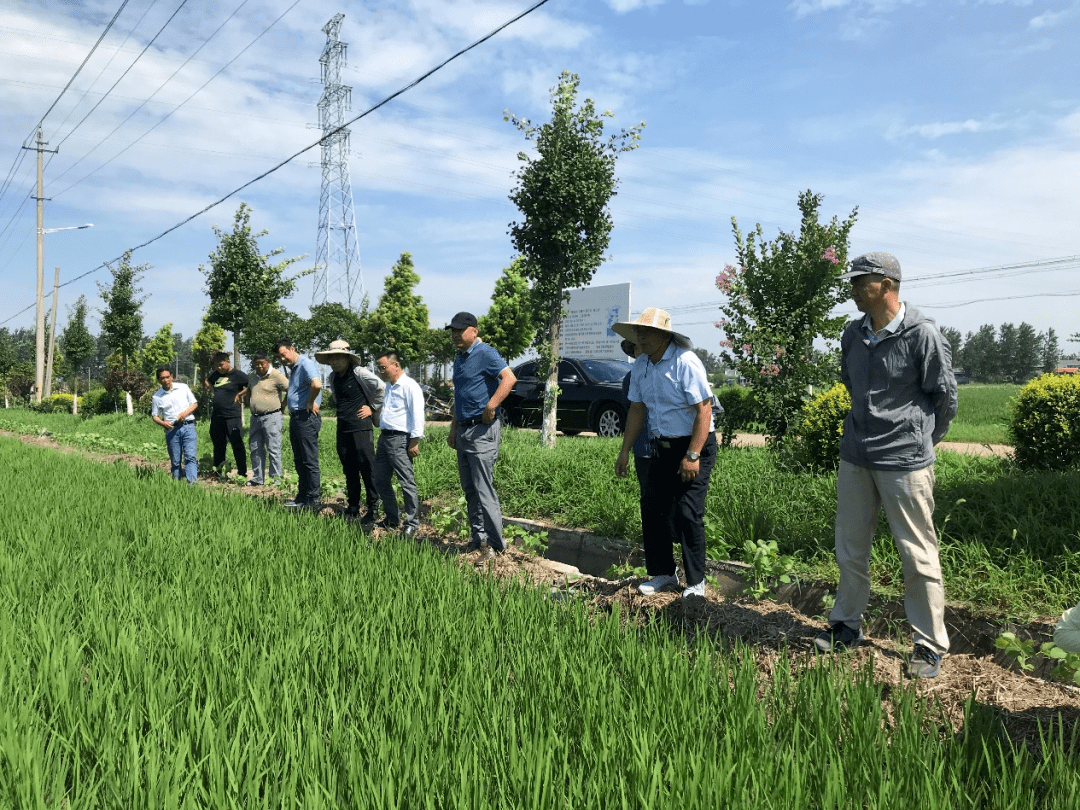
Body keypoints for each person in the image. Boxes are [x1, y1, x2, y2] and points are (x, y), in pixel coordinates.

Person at [814, 252, 958, 680]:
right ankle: (846, 625)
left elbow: (944, 397)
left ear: (888, 285)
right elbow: (850, 383)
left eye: (861, 282)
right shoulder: (852, 334)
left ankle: (929, 644)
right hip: (856, 456)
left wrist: (922, 441)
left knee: (917, 553)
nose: (853, 289)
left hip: (905, 462)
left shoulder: (922, 334)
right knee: (850, 547)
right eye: (853, 282)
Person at [613, 308, 717, 598]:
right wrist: (624, 451)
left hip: (694, 445)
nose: (641, 338)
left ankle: (696, 583)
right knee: (653, 508)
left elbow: (703, 409)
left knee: (687, 512)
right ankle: (663, 574)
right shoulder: (641, 365)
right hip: (662, 446)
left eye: (646, 332)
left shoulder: (685, 361)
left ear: (664, 335)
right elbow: (637, 408)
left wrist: (693, 455)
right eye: (638, 333)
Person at [445, 312, 516, 556]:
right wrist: (453, 427)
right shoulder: (459, 358)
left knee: (483, 488)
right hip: (464, 429)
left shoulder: (485, 352)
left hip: (482, 430)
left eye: (459, 330)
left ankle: (496, 545)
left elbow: (509, 378)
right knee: (470, 489)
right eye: (452, 331)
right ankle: (479, 538)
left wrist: (492, 405)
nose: (455, 335)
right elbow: (460, 395)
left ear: (474, 331)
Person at [315, 339, 385, 524]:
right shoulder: (332, 378)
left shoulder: (358, 373)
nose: (336, 362)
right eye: (332, 358)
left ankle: (373, 508)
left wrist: (372, 407)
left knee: (367, 467)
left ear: (347, 358)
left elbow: (381, 387)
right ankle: (353, 505)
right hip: (343, 426)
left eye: (339, 358)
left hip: (361, 426)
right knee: (349, 467)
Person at [372, 349, 425, 538]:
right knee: (380, 479)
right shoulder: (389, 386)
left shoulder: (409, 386)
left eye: (383, 367)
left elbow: (418, 414)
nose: (381, 371)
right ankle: (392, 518)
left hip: (400, 439)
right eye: (379, 368)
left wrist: (414, 441)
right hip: (385, 438)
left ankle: (412, 523)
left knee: (406, 481)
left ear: (396, 365)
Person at [273, 339, 323, 509]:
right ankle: (302, 497)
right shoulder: (294, 368)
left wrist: (310, 402)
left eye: (283, 354)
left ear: (292, 349)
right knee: (299, 459)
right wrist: (285, 404)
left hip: (306, 417)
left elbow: (316, 384)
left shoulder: (305, 363)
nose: (282, 359)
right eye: (278, 357)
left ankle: (313, 500)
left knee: (309, 460)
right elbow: (295, 390)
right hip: (297, 417)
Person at [245, 350, 289, 486]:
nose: (259, 366)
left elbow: (290, 389)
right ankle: (258, 478)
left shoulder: (276, 375)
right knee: (255, 447)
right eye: (256, 364)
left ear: (268, 362)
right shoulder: (252, 376)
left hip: (272, 417)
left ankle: (275, 479)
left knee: (273, 448)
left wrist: (283, 405)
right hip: (255, 417)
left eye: (261, 363)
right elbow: (248, 390)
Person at [204, 351, 249, 479]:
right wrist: (213, 391)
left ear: (228, 362)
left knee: (237, 444)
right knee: (218, 444)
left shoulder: (238, 375)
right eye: (216, 366)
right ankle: (218, 471)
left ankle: (242, 472)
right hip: (217, 416)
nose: (219, 368)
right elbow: (207, 381)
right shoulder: (216, 375)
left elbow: (249, 386)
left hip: (232, 416)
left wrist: (240, 394)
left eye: (221, 365)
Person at [151, 366, 199, 483]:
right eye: (162, 378)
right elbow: (154, 415)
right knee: (175, 460)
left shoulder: (183, 387)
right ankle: (177, 483)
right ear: (158, 380)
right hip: (172, 429)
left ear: (171, 376)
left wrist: (185, 413)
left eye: (168, 377)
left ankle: (192, 484)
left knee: (190, 457)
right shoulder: (157, 397)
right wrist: (162, 423)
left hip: (188, 426)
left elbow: (194, 404)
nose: (166, 380)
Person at [620, 338, 653, 506]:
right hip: (642, 445)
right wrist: (625, 450)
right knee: (647, 494)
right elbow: (633, 409)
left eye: (644, 350)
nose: (641, 355)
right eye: (637, 351)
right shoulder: (630, 378)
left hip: (667, 445)